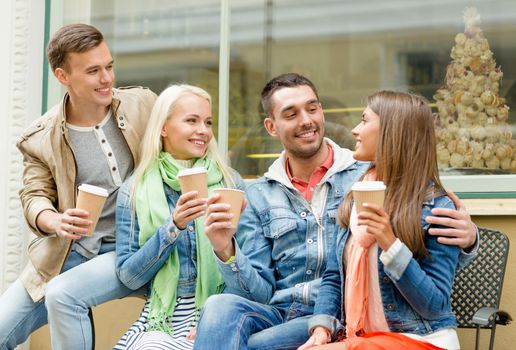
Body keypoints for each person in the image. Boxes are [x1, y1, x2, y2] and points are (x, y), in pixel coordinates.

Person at [194, 73, 478, 350]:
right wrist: (225, 250)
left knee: (254, 345)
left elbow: (423, 241)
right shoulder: (260, 195)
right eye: (291, 114)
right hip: (287, 312)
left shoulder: (358, 178)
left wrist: (469, 239)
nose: (307, 121)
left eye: (313, 108)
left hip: (349, 316)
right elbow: (261, 292)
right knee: (218, 307)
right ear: (272, 127)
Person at [0, 24, 156, 350]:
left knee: (65, 296)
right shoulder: (40, 137)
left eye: (109, 66)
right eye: (93, 71)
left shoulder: (143, 105)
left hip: (133, 246)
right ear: (63, 76)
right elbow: (34, 194)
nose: (107, 79)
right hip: (68, 253)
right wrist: (53, 220)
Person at [299, 91, 463, 350]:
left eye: (364, 121)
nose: (354, 130)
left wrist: (390, 243)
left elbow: (434, 306)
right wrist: (321, 327)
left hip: (420, 340)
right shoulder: (355, 196)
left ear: (391, 131)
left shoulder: (436, 209)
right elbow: (333, 277)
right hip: (364, 338)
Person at [113, 84, 245, 349]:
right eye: (191, 121)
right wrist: (173, 227)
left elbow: (250, 267)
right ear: (163, 127)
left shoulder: (231, 182)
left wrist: (215, 317)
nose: (203, 131)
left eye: (207, 122)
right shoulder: (136, 188)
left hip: (222, 307)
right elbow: (129, 277)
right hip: (162, 315)